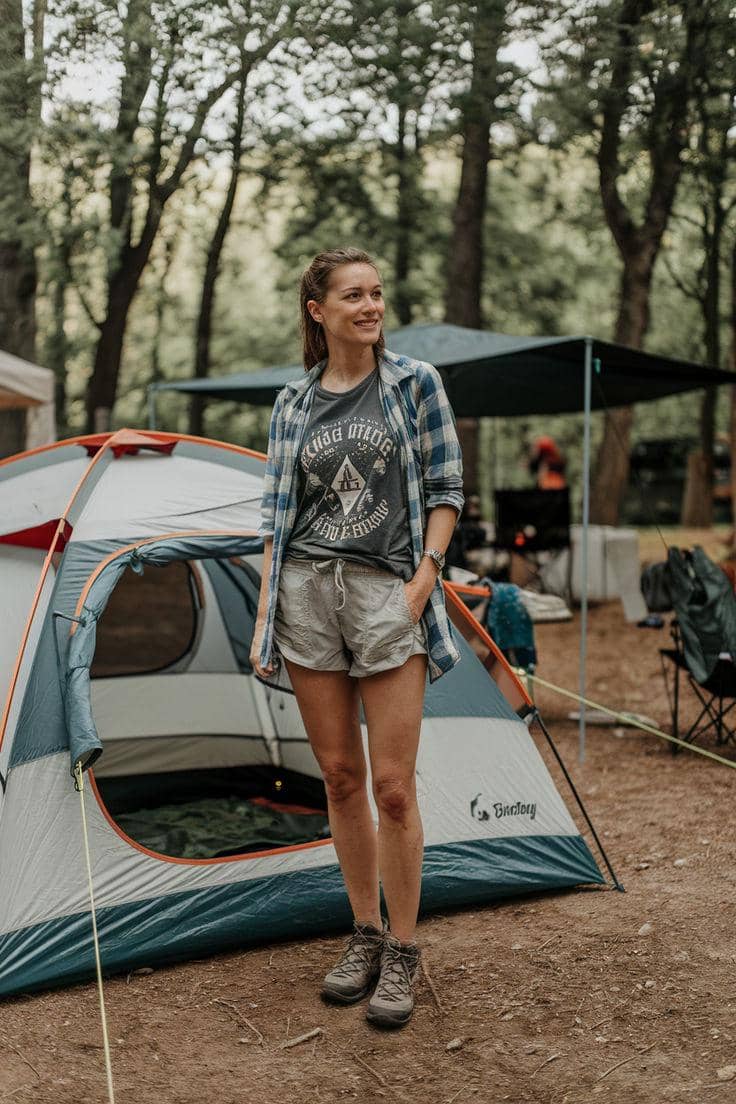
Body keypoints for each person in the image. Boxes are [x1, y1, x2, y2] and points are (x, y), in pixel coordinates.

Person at [250, 246, 464, 1029]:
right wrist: (268, 605)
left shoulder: (415, 385)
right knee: (339, 778)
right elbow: (275, 519)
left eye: (377, 293)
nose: (370, 306)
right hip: (308, 594)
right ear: (319, 310)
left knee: (393, 786)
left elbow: (446, 488)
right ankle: (364, 933)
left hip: (387, 595)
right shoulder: (291, 405)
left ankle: (404, 948)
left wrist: (423, 580)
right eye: (353, 295)